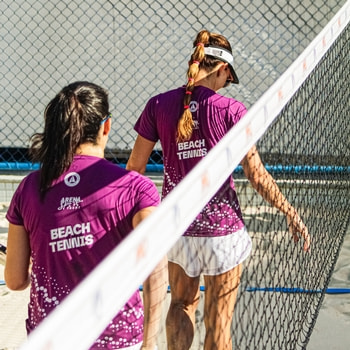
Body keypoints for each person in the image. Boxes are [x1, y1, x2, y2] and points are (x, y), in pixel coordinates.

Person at [126, 30, 311, 350]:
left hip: (178, 228)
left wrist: (131, 221)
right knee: (218, 323)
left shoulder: (158, 104)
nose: (228, 84)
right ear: (223, 69)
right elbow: (257, 176)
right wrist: (289, 210)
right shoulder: (232, 111)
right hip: (222, 231)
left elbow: (134, 170)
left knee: (181, 304)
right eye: (229, 78)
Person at [4, 81, 167, 350]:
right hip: (117, 339)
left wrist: (49, 257)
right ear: (106, 126)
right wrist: (150, 344)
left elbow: (15, 279)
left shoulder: (29, 188)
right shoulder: (137, 188)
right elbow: (156, 269)